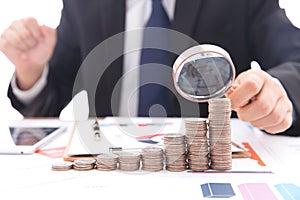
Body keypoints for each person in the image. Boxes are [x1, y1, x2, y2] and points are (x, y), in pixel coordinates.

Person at [0, 0, 299, 136]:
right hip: (110, 171)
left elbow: (295, 62)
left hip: (206, 167)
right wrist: (31, 70)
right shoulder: (84, 4)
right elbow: (49, 103)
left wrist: (277, 91)